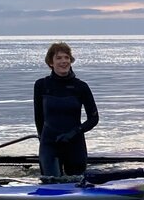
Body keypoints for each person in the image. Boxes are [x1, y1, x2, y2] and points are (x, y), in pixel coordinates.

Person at [33, 42, 99, 177]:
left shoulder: (81, 87)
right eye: (59, 58)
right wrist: (43, 139)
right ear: (50, 62)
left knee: (76, 184)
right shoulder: (41, 85)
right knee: (50, 184)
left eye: (67, 57)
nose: (64, 61)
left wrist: (75, 132)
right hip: (50, 144)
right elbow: (39, 117)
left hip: (75, 144)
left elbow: (94, 118)